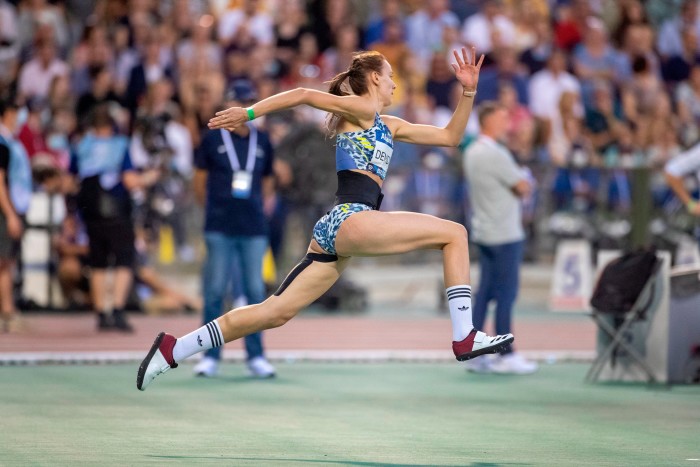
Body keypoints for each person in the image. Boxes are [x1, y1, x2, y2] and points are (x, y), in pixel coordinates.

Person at [137, 47, 515, 391]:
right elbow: (303, 94)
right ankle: (464, 334)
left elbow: (450, 137)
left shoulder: (389, 124)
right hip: (352, 218)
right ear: (374, 79)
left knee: (274, 313)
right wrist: (248, 113)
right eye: (391, 75)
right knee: (455, 233)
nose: (396, 83)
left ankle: (174, 349)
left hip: (337, 227)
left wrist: (468, 92)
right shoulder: (360, 108)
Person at [190, 81, 277, 379]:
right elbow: (199, 182)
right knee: (215, 291)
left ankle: (256, 356)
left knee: (255, 292)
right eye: (242, 101)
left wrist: (252, 206)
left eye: (250, 101)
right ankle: (210, 356)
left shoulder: (263, 141)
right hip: (220, 225)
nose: (246, 108)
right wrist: (215, 209)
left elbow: (267, 181)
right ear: (230, 104)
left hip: (253, 226)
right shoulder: (211, 138)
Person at [463, 102, 538, 375]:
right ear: (489, 122)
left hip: (484, 230)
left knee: (484, 293)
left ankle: (474, 352)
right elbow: (522, 186)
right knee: (506, 294)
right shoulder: (496, 154)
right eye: (502, 119)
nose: (508, 124)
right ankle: (506, 354)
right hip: (505, 233)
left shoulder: (471, 151)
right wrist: (525, 182)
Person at [70, 105, 156, 332]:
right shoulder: (119, 146)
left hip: (91, 213)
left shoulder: (82, 147)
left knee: (98, 262)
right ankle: (117, 310)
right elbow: (129, 180)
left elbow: (71, 182)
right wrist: (150, 177)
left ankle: (101, 313)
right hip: (117, 212)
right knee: (123, 261)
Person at [0, 98, 31, 332]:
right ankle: (8, 312)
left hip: (10, 206)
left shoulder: (10, 142)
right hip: (4, 208)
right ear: (8, 113)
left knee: (6, 262)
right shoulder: (2, 143)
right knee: (3, 262)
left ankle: (8, 311)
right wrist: (10, 213)